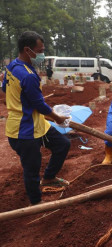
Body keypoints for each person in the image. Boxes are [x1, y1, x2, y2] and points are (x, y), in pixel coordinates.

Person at [2, 31, 71, 205]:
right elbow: (39, 106)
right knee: (32, 169)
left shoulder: (12, 67)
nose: (42, 54)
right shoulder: (28, 75)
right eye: (40, 50)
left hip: (37, 123)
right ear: (28, 50)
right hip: (24, 130)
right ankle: (36, 203)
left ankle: (49, 178)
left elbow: (4, 90)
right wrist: (58, 118)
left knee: (62, 144)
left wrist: (21, 99)